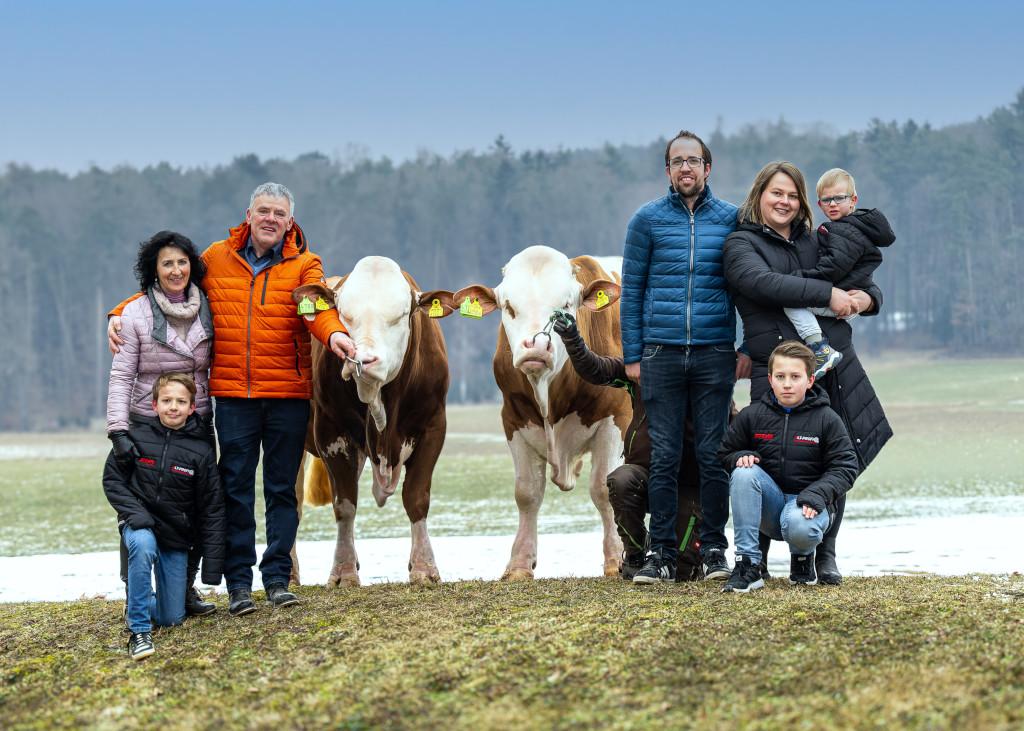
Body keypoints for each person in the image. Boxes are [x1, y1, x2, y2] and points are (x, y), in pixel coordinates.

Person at [109, 182, 357, 617]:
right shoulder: (216, 257)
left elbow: (318, 310)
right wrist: (121, 310)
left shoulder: (304, 265)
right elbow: (172, 284)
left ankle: (278, 577)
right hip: (233, 397)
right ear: (248, 214)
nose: (270, 220)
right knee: (235, 489)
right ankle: (238, 583)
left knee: (282, 490)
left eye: (279, 214)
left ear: (289, 221)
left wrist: (335, 334)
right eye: (263, 211)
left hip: (287, 395)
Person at [723, 161, 893, 585]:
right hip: (773, 367)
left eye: (792, 195)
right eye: (776, 193)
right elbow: (763, 283)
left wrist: (865, 300)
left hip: (832, 363)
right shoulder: (740, 244)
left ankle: (823, 555)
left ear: (802, 203)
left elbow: (859, 277)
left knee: (838, 453)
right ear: (759, 195)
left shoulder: (816, 239)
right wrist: (828, 293)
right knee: (764, 455)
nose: (784, 201)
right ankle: (756, 559)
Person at [620, 130, 748, 584]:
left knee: (714, 455)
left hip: (715, 352)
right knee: (666, 456)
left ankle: (714, 549)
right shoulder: (646, 220)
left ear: (707, 169)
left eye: (694, 161)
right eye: (678, 162)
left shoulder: (733, 219)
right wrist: (632, 355)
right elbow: (631, 291)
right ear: (668, 170)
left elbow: (748, 288)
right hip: (661, 353)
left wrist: (747, 348)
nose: (686, 168)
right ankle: (661, 555)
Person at [107, 230, 217, 617]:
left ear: (193, 266)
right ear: (153, 269)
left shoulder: (208, 306)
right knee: (139, 505)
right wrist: (118, 431)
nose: (176, 270)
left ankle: (184, 589)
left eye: (182, 262)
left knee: (194, 507)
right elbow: (121, 376)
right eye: (167, 263)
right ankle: (133, 588)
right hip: (144, 420)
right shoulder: (135, 313)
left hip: (196, 420)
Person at [551, 310, 704, 582]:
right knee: (620, 480)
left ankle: (697, 554)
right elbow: (594, 368)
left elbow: (731, 427)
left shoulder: (707, 380)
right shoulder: (641, 371)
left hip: (690, 485)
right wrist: (572, 336)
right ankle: (635, 553)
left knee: (681, 574)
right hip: (646, 477)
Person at [102, 372, 225, 660]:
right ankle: (139, 631)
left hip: (175, 536)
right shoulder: (136, 437)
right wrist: (137, 516)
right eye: (166, 400)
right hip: (139, 525)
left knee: (171, 618)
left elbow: (212, 509)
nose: (173, 407)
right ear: (154, 404)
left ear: (192, 407)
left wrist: (212, 569)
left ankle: (139, 601)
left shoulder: (201, 452)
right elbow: (113, 481)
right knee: (143, 545)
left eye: (181, 401)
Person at [718, 342, 858, 592]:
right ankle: (749, 564)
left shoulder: (828, 419)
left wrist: (817, 494)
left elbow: (845, 467)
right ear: (770, 379)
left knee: (799, 525)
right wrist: (741, 455)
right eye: (781, 377)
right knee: (743, 471)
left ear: (810, 380)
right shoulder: (751, 415)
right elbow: (726, 452)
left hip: (807, 506)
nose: (787, 384)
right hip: (769, 506)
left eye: (795, 377)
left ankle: (803, 558)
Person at [782, 168, 896, 379]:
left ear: (853, 200)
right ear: (819, 204)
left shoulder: (843, 230)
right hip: (850, 297)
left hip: (841, 298)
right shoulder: (853, 227)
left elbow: (833, 267)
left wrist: (799, 278)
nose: (832, 204)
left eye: (839, 198)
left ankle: (819, 349)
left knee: (790, 300)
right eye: (826, 200)